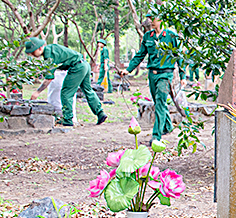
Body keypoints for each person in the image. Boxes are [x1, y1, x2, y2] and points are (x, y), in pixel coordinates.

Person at [120, 13, 187, 143]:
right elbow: (140, 55)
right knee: (158, 103)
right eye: (150, 19)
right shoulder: (147, 36)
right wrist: (128, 70)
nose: (150, 21)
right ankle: (168, 126)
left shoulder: (171, 36)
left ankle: (156, 136)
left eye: (153, 19)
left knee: (160, 102)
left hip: (165, 74)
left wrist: (183, 76)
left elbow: (179, 56)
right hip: (152, 74)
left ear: (161, 20)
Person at [27, 37, 107, 126]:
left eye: (33, 52)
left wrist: (38, 92)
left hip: (77, 67)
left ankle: (68, 120)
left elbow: (49, 77)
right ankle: (100, 113)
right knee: (88, 90)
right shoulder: (51, 48)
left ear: (40, 48)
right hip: (84, 64)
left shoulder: (48, 55)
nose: (32, 55)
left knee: (66, 93)